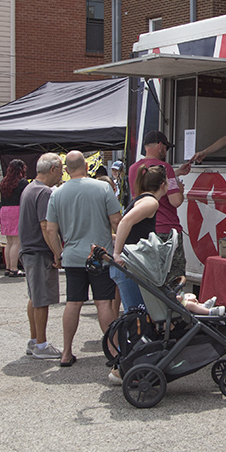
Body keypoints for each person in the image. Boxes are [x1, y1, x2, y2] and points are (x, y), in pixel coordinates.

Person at [45, 151, 121, 367]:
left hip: (72, 256)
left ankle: (66, 352)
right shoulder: (103, 188)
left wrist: (58, 253)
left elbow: (50, 230)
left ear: (66, 170)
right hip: (99, 255)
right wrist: (120, 248)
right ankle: (114, 351)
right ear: (86, 167)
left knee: (73, 302)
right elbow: (116, 220)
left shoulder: (57, 194)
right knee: (103, 303)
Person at [128, 131, 191, 283]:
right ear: (160, 146)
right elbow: (175, 201)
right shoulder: (165, 168)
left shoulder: (134, 168)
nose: (166, 152)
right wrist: (180, 190)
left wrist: (176, 173)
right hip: (167, 231)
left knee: (150, 278)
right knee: (174, 278)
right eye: (166, 148)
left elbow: (152, 179)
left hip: (144, 231)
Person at [18, 153, 63, 360]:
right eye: (60, 169)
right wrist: (57, 253)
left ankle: (35, 340)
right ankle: (41, 344)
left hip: (29, 250)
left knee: (35, 298)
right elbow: (46, 227)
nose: (62, 173)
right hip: (38, 251)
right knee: (41, 299)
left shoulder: (30, 188)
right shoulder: (44, 192)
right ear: (53, 169)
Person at [111, 164, 170, 312]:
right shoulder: (151, 202)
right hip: (129, 264)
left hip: (131, 264)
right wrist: (117, 253)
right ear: (163, 185)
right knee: (136, 313)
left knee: (136, 312)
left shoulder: (142, 199)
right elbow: (125, 221)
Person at [0, 159, 28, 277]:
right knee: (17, 242)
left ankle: (8, 267)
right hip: (16, 210)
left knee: (9, 241)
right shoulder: (22, 183)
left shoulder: (3, 183)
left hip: (4, 210)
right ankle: (14, 268)